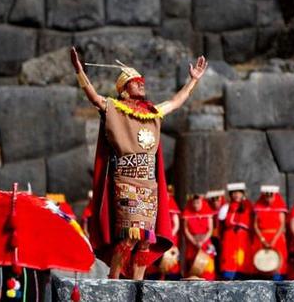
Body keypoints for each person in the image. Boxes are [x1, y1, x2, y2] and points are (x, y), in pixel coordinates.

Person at [71, 47, 208, 280]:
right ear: (124, 90)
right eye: (136, 82)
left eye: (142, 81)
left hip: (149, 184)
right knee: (130, 236)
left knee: (146, 238)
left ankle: (138, 284)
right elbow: (94, 97)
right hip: (126, 182)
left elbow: (176, 102)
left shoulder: (152, 113)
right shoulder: (115, 109)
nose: (141, 84)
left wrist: (192, 81)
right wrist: (79, 72)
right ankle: (113, 281)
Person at [251, 185, 288, 280]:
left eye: (271, 195)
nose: (269, 198)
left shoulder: (280, 207)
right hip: (261, 239)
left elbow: (282, 225)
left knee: (277, 265)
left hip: (276, 238)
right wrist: (262, 239)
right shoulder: (259, 207)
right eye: (266, 196)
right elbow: (255, 225)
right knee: (261, 263)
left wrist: (274, 241)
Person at [219, 182, 253, 280]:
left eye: (239, 193)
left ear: (243, 194)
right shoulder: (226, 207)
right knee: (229, 260)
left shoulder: (248, 206)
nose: (237, 195)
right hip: (230, 237)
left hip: (243, 238)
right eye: (234, 193)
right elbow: (220, 225)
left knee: (243, 259)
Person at [182, 193, 215, 280]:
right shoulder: (187, 213)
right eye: (194, 203)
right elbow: (186, 230)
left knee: (207, 266)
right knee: (192, 265)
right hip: (192, 242)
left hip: (205, 241)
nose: (196, 205)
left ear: (202, 203)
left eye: (198, 203)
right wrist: (194, 241)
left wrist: (202, 241)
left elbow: (210, 229)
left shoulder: (208, 213)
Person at [205, 189, 226, 277]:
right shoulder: (208, 211)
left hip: (222, 236)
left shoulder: (224, 210)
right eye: (213, 200)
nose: (215, 202)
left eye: (217, 199)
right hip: (211, 237)